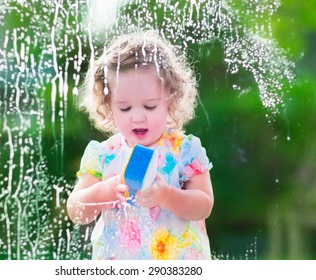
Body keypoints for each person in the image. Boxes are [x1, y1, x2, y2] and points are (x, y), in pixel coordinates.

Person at [67, 31, 214, 260]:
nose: (138, 117)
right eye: (125, 108)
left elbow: (204, 205)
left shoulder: (184, 151)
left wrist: (166, 195)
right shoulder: (104, 155)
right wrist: (104, 191)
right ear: (108, 106)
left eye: (150, 106)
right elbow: (76, 210)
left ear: (171, 99)